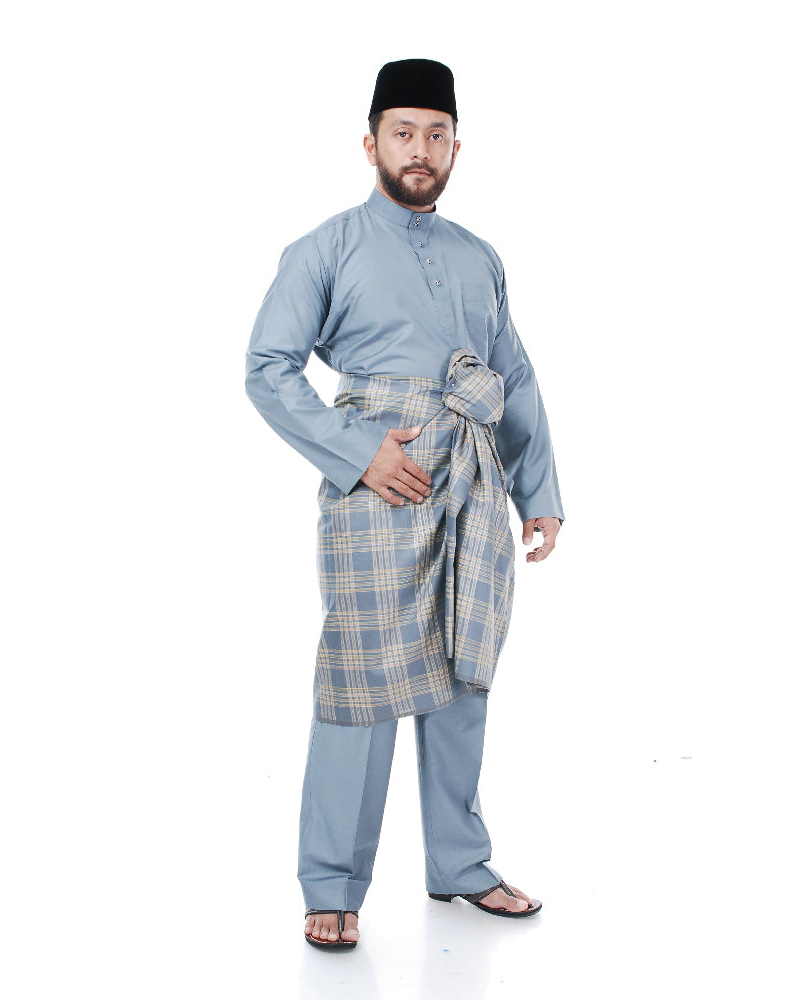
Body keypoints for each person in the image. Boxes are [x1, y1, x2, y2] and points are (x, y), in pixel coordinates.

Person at [245, 58, 564, 950]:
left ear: (457, 146)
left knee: (463, 675)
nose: (419, 149)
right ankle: (332, 883)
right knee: (364, 679)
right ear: (371, 143)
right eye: (403, 133)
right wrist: (360, 452)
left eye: (435, 134)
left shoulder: (479, 256)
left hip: (474, 481)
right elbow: (267, 367)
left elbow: (513, 375)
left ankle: (459, 864)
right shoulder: (325, 248)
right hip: (377, 486)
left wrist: (538, 490)